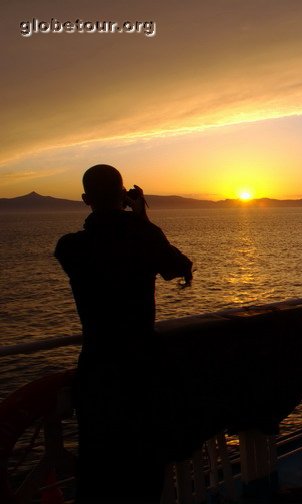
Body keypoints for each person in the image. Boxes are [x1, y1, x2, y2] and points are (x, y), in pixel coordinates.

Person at [55, 164, 193, 503]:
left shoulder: (70, 248)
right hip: (142, 370)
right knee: (145, 470)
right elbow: (178, 268)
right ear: (123, 196)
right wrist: (141, 218)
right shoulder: (143, 236)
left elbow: (99, 246)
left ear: (85, 199)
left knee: (96, 471)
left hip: (97, 370)